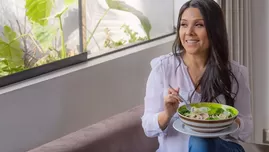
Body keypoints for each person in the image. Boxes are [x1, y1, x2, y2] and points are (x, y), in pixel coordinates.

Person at [141, 0, 253, 152]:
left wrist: (226, 121)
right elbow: (148, 127)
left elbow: (247, 128)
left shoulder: (235, 73)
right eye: (184, 24)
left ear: (214, 30)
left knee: (202, 141)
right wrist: (167, 114)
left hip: (221, 148)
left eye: (199, 25)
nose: (189, 32)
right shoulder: (163, 68)